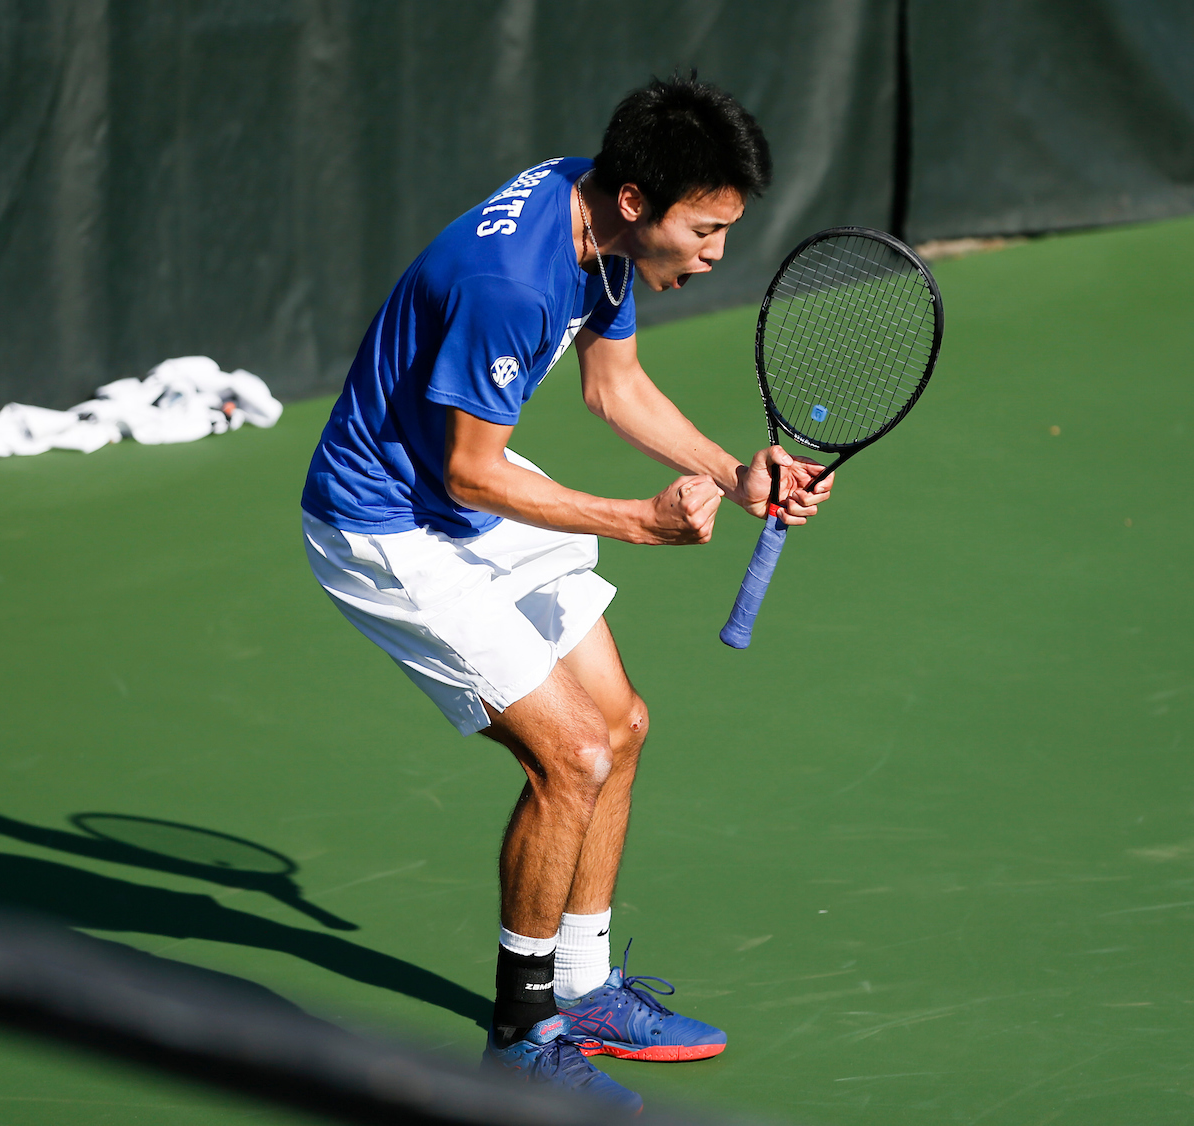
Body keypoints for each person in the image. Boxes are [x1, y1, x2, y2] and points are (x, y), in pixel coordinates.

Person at [301, 74, 833, 1111]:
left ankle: (584, 990)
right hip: (386, 523)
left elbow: (614, 385)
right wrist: (642, 521)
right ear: (638, 200)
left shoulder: (593, 212)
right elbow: (469, 472)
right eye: (707, 228)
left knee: (622, 725)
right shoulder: (514, 277)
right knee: (572, 753)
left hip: (459, 491)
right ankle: (518, 1031)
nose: (718, 252)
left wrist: (735, 472)